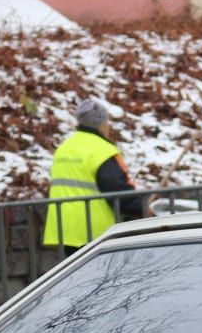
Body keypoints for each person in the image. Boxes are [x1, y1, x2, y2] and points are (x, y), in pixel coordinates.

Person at [42, 98, 148, 256]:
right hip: (96, 232)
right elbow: (119, 191)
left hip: (66, 230)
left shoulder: (64, 148)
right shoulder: (102, 150)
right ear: (101, 123)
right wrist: (143, 209)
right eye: (107, 121)